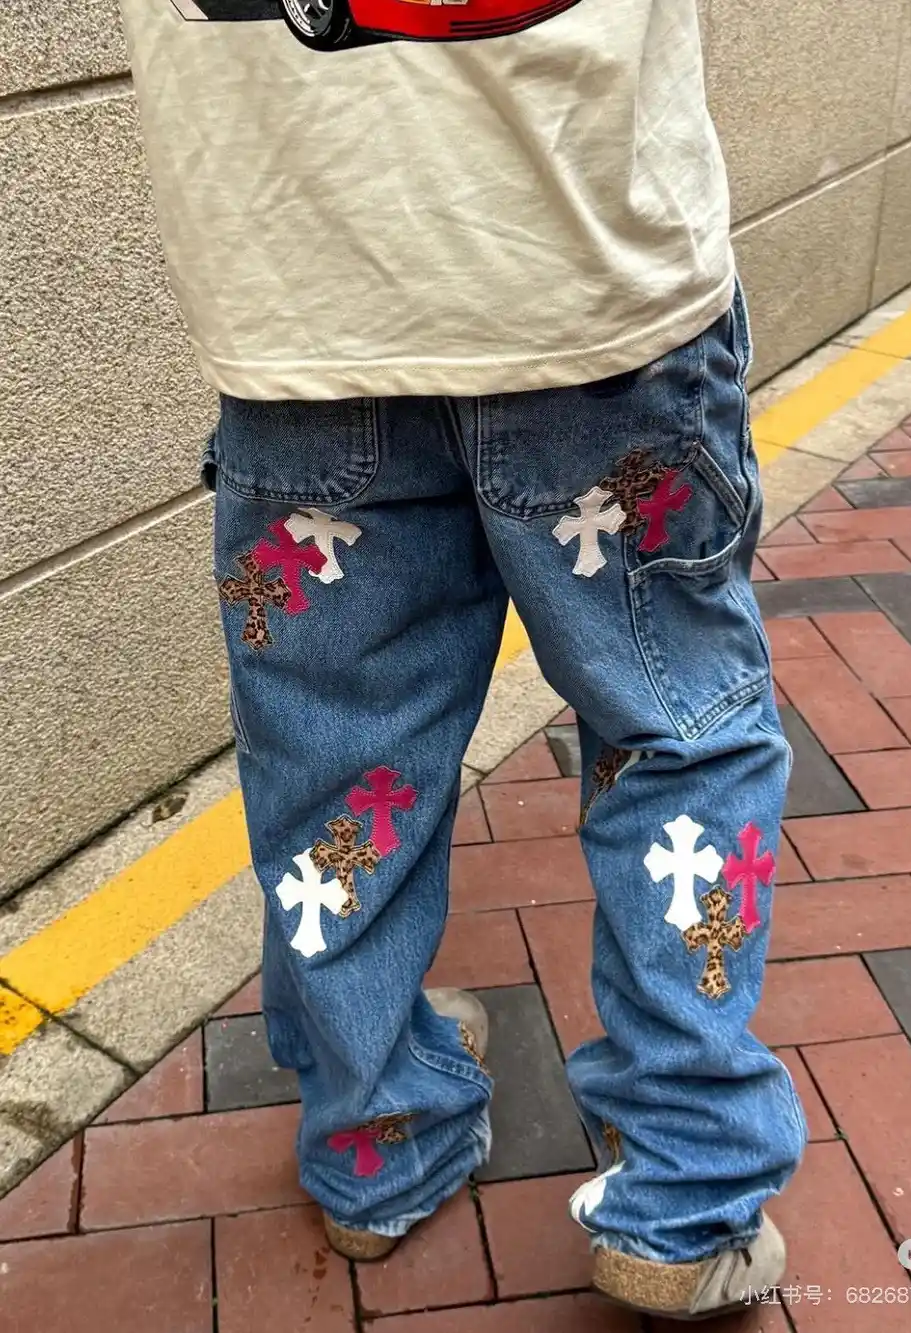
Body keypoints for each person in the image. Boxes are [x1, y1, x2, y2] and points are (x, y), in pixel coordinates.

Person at [119, 0, 805, 1318]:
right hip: (587, 281)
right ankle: (689, 1191)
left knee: (336, 765)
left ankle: (376, 1136)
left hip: (298, 298)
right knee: (679, 735)